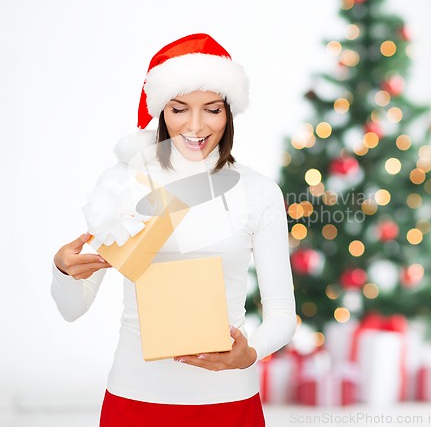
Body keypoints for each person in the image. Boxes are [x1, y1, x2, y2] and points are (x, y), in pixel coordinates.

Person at [51, 33, 297, 427]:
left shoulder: (258, 191)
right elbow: (72, 308)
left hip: (229, 402)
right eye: (179, 109)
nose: (195, 126)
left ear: (229, 112)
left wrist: (251, 353)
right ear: (162, 112)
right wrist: (64, 270)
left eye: (212, 109)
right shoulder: (126, 184)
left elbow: (283, 313)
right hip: (134, 400)